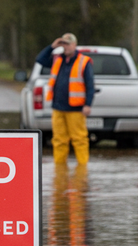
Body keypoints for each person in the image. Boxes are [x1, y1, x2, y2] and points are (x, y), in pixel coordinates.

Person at [35, 33, 95, 165]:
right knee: (59, 140)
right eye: (63, 44)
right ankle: (60, 170)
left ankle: (82, 169)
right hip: (58, 107)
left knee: (79, 139)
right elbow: (40, 59)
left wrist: (88, 104)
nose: (65, 47)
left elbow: (90, 85)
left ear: (74, 45)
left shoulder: (83, 62)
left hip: (75, 109)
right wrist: (52, 47)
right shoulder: (57, 59)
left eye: (67, 44)